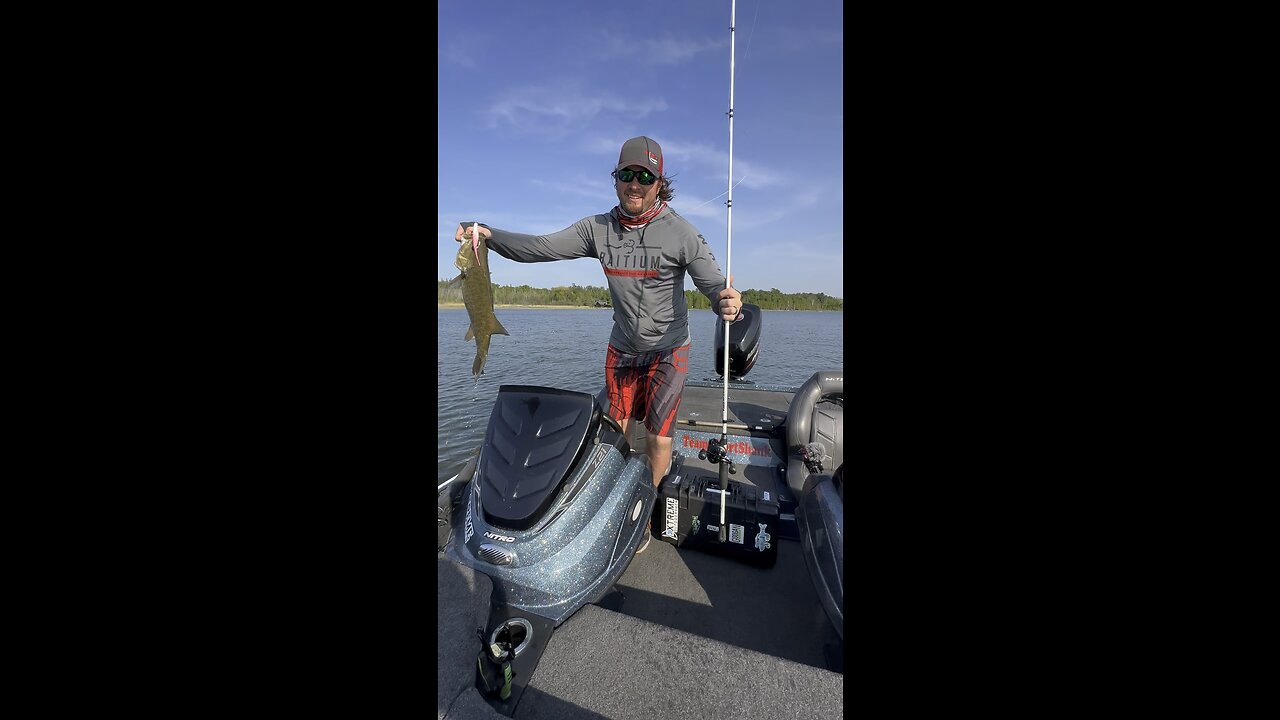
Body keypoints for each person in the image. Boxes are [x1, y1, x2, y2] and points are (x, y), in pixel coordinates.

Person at [455, 136, 744, 551]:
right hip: (623, 349)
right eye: (627, 174)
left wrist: (726, 302)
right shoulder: (598, 229)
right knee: (617, 432)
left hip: (669, 350)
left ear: (659, 182)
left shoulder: (682, 233)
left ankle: (646, 507)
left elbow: (714, 286)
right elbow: (540, 248)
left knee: (660, 437)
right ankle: (615, 497)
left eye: (645, 176)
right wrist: (486, 233)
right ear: (616, 180)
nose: (635, 184)